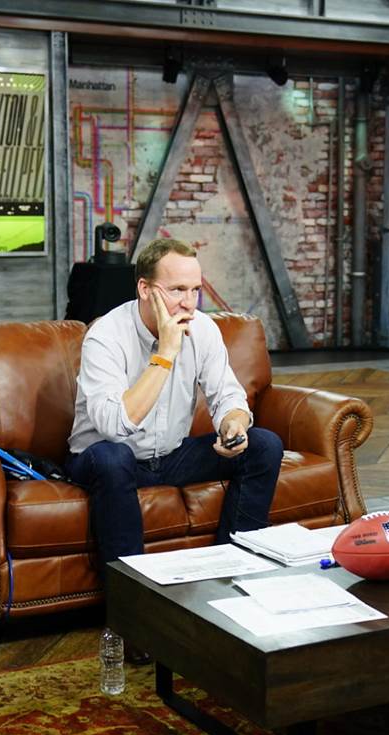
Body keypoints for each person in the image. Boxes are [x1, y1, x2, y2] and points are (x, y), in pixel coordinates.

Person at [64, 238, 283, 658]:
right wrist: (164, 354)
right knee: (114, 457)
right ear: (145, 289)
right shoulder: (105, 336)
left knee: (263, 446)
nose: (189, 302)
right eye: (177, 290)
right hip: (102, 457)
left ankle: (232, 581)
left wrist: (233, 426)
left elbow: (229, 397)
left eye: (195, 289)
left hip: (169, 456)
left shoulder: (203, 329)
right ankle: (133, 618)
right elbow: (114, 426)